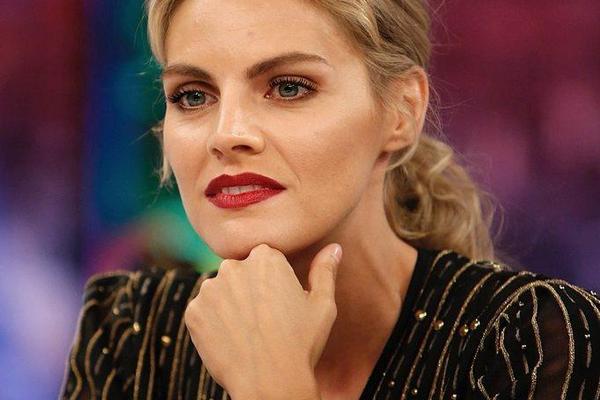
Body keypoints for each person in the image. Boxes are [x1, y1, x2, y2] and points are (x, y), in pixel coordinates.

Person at [60, 0, 599, 399]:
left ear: (401, 111)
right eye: (193, 95)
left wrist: (274, 387)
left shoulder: (532, 339)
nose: (226, 134)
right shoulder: (129, 332)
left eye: (288, 86)